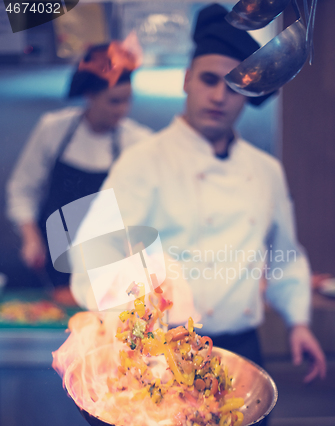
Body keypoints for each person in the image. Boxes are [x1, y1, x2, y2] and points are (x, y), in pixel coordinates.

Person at [70, 4, 326, 383]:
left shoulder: (266, 170)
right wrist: (132, 320)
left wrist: (298, 321)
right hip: (166, 354)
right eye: (209, 80)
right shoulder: (142, 161)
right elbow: (94, 254)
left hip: (244, 350)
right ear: (187, 79)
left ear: (248, 91)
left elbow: (285, 256)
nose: (219, 96)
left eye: (233, 85)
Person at [6, 38, 152, 292]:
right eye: (114, 101)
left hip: (111, 268)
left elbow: (149, 208)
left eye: (127, 100)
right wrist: (30, 237)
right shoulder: (53, 128)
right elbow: (22, 188)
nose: (123, 110)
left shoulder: (138, 141)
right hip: (53, 261)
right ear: (90, 96)